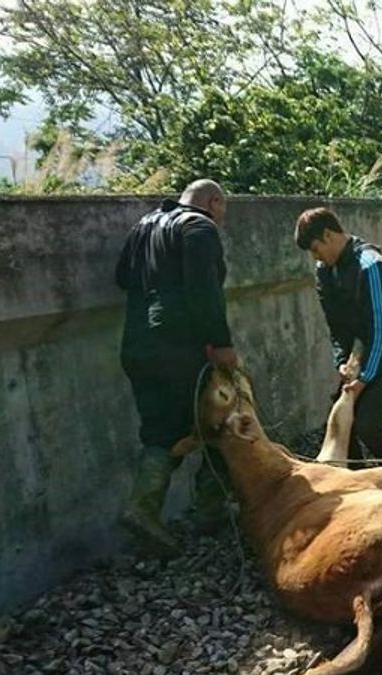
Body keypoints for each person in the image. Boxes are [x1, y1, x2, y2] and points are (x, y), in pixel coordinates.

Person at [115, 179, 238, 557]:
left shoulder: (143, 226)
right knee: (220, 422)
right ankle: (209, 511)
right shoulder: (199, 228)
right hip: (180, 348)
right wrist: (221, 344)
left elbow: (122, 278)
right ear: (214, 203)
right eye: (223, 212)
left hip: (137, 345)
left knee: (160, 430)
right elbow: (204, 291)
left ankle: (145, 508)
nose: (221, 220)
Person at [295, 207, 382, 463]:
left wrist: (365, 379)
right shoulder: (325, 272)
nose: (316, 256)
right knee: (341, 420)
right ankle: (359, 479)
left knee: (366, 423)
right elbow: (335, 326)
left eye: (316, 248)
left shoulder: (372, 267)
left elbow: (380, 330)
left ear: (328, 235)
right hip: (358, 357)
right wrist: (341, 362)